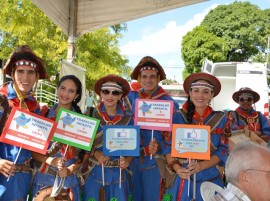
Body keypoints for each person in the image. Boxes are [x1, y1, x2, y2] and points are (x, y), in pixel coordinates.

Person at [163, 72, 229, 201]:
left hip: (209, 176)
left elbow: (223, 149)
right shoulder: (176, 117)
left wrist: (201, 166)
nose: (200, 95)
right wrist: (177, 168)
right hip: (181, 177)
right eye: (196, 91)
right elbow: (167, 148)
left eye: (205, 92)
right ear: (190, 93)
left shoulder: (221, 119)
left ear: (212, 95)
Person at [127, 56, 179, 201]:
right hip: (131, 160)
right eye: (144, 77)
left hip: (155, 161)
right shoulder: (129, 99)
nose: (147, 80)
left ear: (158, 79)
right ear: (139, 78)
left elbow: (174, 135)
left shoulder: (169, 103)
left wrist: (160, 145)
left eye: (152, 77)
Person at [0, 45, 47, 200]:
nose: (25, 77)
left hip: (24, 179)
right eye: (20, 71)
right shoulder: (1, 100)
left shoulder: (35, 107)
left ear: (36, 76)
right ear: (12, 73)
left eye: (31, 72)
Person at [31, 75, 86, 200]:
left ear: (76, 96)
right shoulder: (42, 115)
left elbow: (84, 154)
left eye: (71, 91)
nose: (65, 93)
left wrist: (70, 169)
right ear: (57, 89)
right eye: (63, 88)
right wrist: (51, 161)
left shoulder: (82, 122)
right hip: (43, 181)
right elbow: (33, 150)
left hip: (69, 182)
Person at [82, 74, 135, 201]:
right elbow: (81, 146)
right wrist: (95, 153)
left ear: (121, 96)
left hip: (120, 176)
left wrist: (127, 161)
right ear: (101, 93)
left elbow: (134, 148)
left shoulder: (129, 119)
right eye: (106, 91)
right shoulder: (89, 115)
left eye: (115, 92)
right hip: (94, 173)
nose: (110, 96)